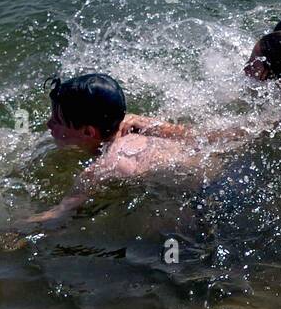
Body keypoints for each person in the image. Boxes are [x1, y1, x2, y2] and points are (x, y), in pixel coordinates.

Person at [24, 73, 241, 226]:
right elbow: (202, 138)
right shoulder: (136, 123)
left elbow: (57, 216)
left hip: (215, 201)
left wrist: (7, 231)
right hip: (229, 173)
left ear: (89, 132)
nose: (49, 125)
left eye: (57, 120)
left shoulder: (104, 168)